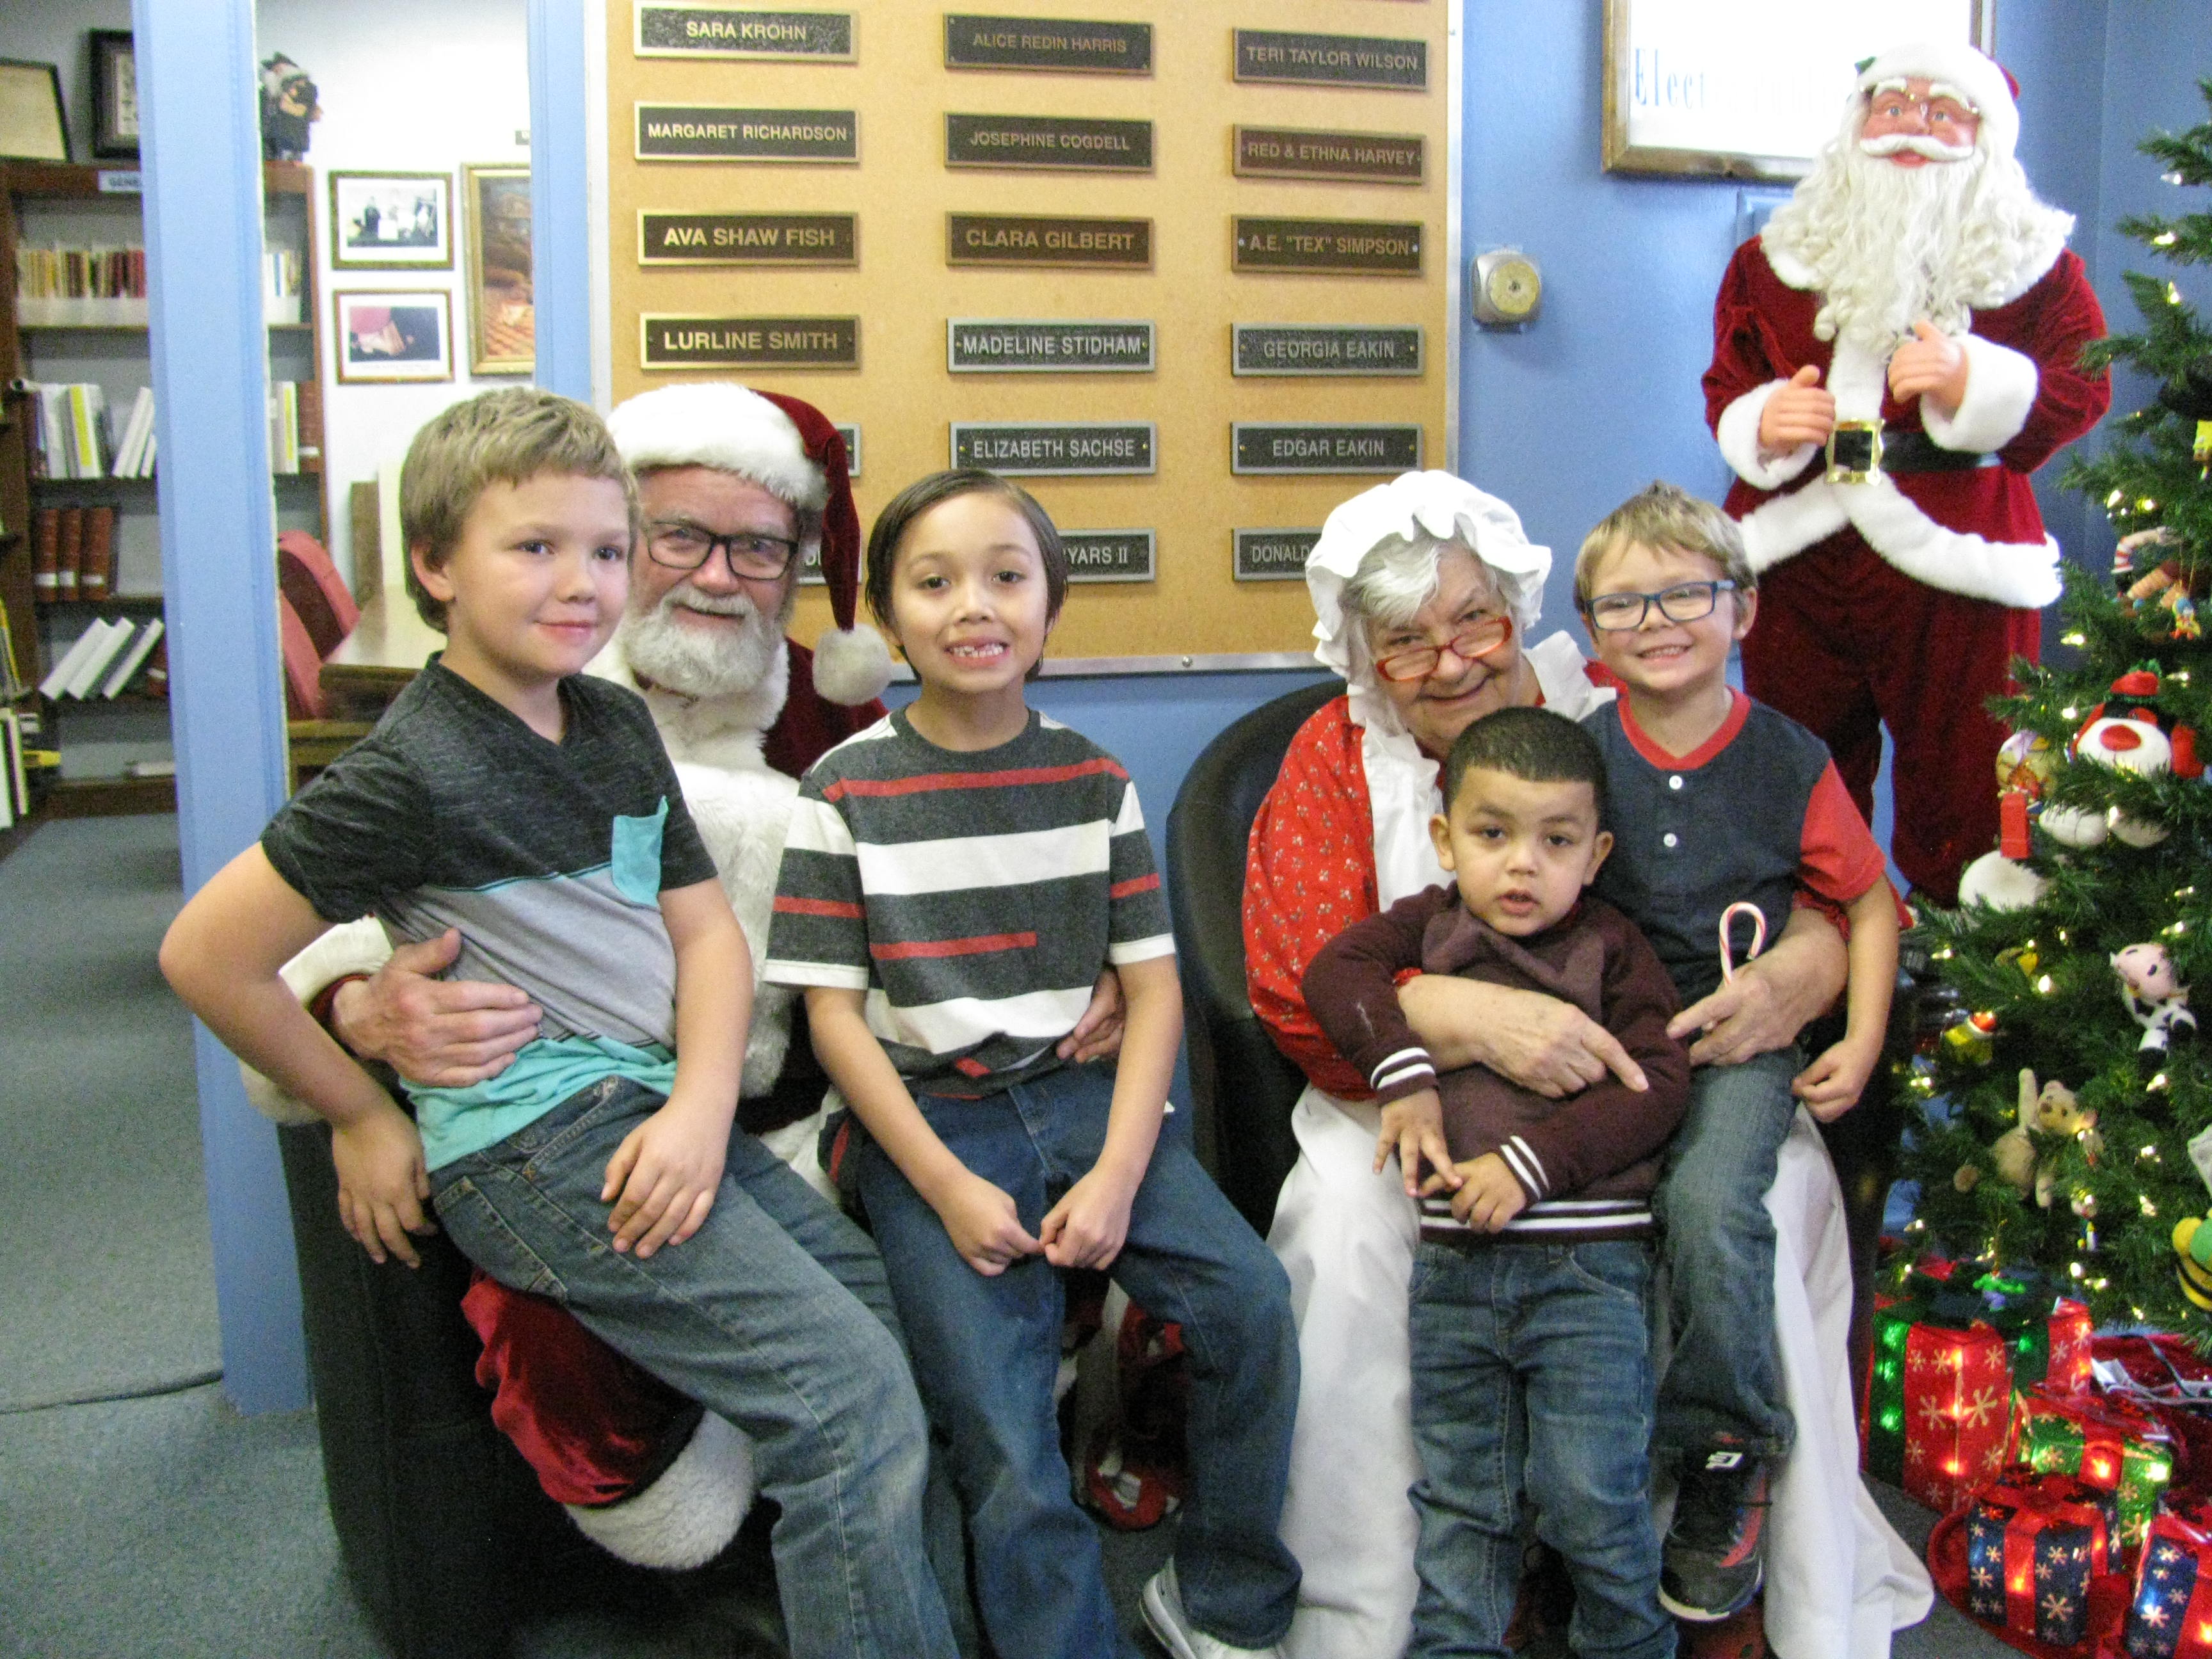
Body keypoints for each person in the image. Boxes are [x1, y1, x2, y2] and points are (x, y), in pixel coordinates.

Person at [163, 387, 959, 1659]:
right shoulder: (409, 773)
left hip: (666, 1109)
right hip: (543, 1148)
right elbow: (207, 957)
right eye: (536, 547)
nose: (583, 583)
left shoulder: (613, 723)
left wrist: (697, 1108)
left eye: (604, 548)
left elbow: (706, 936)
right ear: (436, 564)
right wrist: (360, 1107)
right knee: (845, 1403)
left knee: (897, 1321)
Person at [1245, 469, 1932, 1659]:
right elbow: (1294, 976)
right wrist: (1456, 1017)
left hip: (1649, 1071)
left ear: (1519, 609)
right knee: (1352, 1229)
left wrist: (1807, 964)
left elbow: (1805, 865)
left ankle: (1723, 1540)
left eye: (1476, 621)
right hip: (1400, 1093)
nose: (1452, 664)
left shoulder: (1624, 702)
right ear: (1363, 656)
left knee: (1751, 1204)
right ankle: (1385, 1594)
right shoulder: (1331, 755)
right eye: (1406, 643)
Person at [766, 468, 1301, 1659]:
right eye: (934, 582)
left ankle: (1226, 1601)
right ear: (888, 614)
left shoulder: (1092, 779)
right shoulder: (842, 790)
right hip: (927, 1121)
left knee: (1253, 1305)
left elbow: (1153, 991)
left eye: (1006, 578)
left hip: (1080, 1097)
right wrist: (947, 1188)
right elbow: (834, 1021)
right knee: (1003, 1431)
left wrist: (1118, 1175)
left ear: (1050, 606)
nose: (974, 606)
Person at [1575, 483, 1900, 1622]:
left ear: (1743, 610)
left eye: (1686, 595)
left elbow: (1869, 902)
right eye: (1625, 604)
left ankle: (1727, 1449)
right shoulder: (1579, 756)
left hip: (1738, 1042)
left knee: (1710, 1205)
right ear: (1591, 630)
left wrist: (1861, 1037)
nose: (1657, 623)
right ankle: (1563, 1469)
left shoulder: (1787, 758)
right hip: (1616, 1039)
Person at [1303, 706, 1690, 1659]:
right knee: (1463, 1500)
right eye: (1492, 834)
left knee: (1591, 1495)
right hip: (1457, 1272)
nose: (1523, 866)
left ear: (1596, 854)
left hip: (1588, 1270)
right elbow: (1334, 971)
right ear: (1446, 840)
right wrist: (1403, 1075)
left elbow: (1657, 1085)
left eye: (1556, 841)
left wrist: (1529, 1167)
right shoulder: (1429, 926)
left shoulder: (1613, 947)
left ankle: (1628, 1645)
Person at [1703, 40, 2110, 906]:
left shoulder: (2035, 265)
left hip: (1959, 549)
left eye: (1941, 112)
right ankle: (1810, 947)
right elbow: (1728, 382)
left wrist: (1976, 385)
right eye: (1892, 107)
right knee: (1795, 770)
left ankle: (1972, 964)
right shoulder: (1772, 260)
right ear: (1857, 125)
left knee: (1974, 779)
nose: (1911, 128)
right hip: (1799, 545)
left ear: (1985, 135)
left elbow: (2083, 383)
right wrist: (1762, 420)